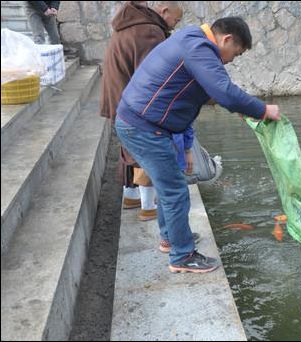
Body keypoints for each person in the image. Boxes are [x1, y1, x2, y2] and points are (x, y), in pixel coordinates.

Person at [115, 17, 281, 273]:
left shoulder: (189, 39)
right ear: (226, 40)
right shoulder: (199, 47)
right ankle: (182, 256)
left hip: (141, 124)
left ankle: (170, 239)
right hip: (144, 128)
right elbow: (224, 90)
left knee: (168, 186)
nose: (228, 61)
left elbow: (201, 94)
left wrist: (238, 109)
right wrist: (262, 109)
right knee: (175, 191)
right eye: (233, 55)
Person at [99, 1, 183, 221]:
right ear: (164, 12)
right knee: (148, 149)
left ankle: (131, 196)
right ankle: (148, 207)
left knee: (129, 148)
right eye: (176, 19)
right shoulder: (150, 31)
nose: (175, 25)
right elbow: (155, 76)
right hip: (132, 103)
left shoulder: (130, 24)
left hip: (117, 95)